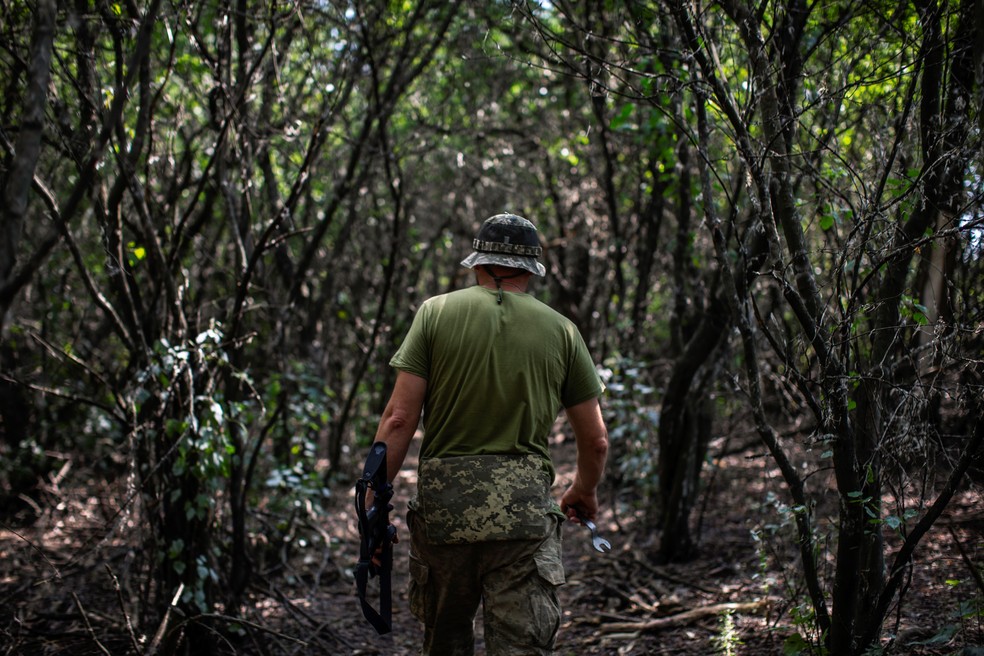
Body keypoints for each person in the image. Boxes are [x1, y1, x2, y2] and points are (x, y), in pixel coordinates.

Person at [368, 212, 609, 655]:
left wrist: (371, 507)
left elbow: (398, 420)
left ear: (478, 261)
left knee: (445, 642)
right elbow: (595, 440)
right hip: (523, 520)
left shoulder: (434, 314)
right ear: (532, 270)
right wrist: (583, 490)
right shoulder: (563, 331)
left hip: (445, 517)